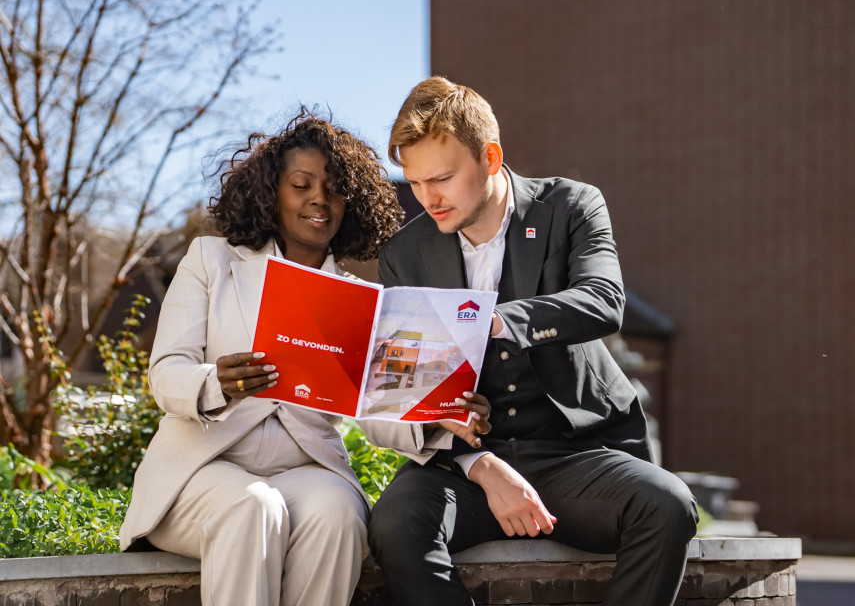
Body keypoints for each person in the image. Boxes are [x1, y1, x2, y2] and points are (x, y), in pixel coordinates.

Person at [119, 111, 488, 606]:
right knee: (255, 508)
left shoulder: (362, 300)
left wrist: (439, 414)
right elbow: (165, 375)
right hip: (204, 469)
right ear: (272, 192)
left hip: (308, 468)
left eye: (335, 188)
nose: (320, 199)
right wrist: (216, 382)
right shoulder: (212, 260)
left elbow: (378, 410)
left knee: (338, 511)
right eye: (301, 184)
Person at [367, 77, 700, 606]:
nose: (427, 199)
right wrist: (474, 459)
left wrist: (493, 320)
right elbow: (397, 387)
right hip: (471, 463)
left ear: (491, 158)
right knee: (395, 520)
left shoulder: (570, 206)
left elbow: (603, 300)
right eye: (415, 182)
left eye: (443, 178)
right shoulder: (404, 254)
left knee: (667, 506)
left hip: (576, 453)